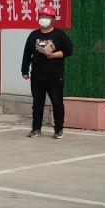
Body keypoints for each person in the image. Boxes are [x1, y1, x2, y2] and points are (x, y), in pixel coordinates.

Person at [22, 10, 75, 138]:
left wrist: (53, 55)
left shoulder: (59, 34)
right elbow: (27, 53)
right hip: (37, 75)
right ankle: (36, 129)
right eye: (41, 16)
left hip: (54, 75)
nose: (43, 19)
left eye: (47, 17)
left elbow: (69, 50)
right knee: (37, 103)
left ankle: (58, 129)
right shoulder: (33, 35)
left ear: (53, 19)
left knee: (57, 102)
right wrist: (24, 70)